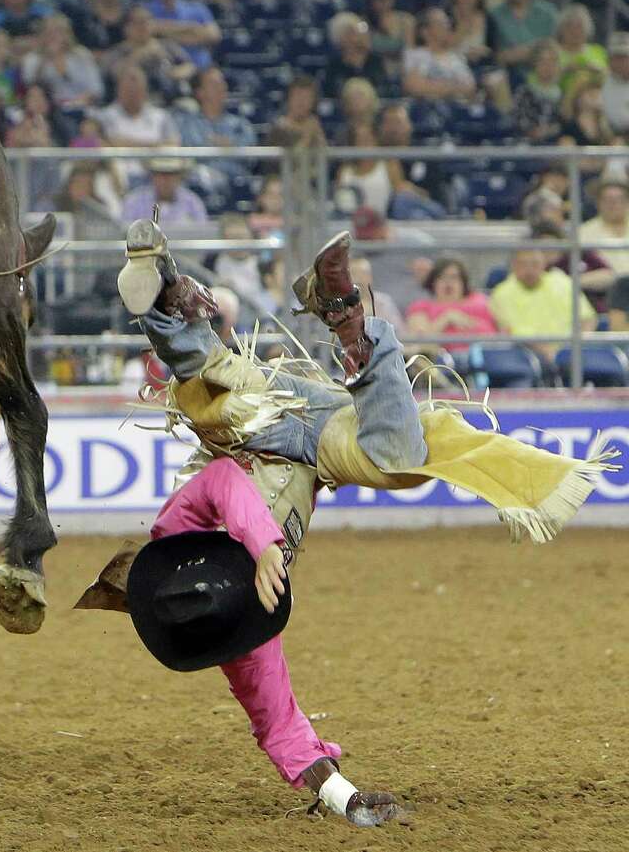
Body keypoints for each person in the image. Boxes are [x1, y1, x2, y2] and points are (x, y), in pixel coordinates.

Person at [80, 220, 614, 825]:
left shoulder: (175, 536)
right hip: (318, 451)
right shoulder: (239, 634)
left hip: (261, 421)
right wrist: (346, 799)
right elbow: (277, 722)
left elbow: (225, 481)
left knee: (212, 381)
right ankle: (346, 318)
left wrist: (262, 548)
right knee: (402, 461)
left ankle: (163, 297)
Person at [490, 245, 597, 359]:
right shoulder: (502, 293)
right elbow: (512, 331)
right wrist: (550, 353)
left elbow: (588, 319)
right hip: (526, 354)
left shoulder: (562, 282)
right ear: (513, 266)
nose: (529, 270)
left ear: (544, 264)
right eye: (523, 264)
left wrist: (576, 345)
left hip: (572, 351)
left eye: (535, 264)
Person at [175, 66, 258, 186]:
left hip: (236, 184)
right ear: (200, 93)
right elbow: (186, 157)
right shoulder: (187, 125)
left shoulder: (241, 125)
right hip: (200, 184)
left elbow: (252, 159)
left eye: (223, 83)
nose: (222, 88)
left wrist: (233, 147)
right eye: (214, 84)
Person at [405, 257, 500, 354]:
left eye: (454, 277)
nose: (448, 283)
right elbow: (419, 344)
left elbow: (502, 334)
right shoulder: (421, 307)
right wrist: (446, 318)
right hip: (441, 361)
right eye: (442, 277)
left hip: (485, 357)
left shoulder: (482, 301)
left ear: (463, 282)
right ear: (433, 282)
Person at [145, 0, 221, 71]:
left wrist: (164, 33)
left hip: (200, 73)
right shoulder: (145, 10)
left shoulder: (197, 8)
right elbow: (148, 30)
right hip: (165, 74)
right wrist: (192, 29)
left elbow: (214, 35)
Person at [105, 4, 195, 101]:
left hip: (171, 98)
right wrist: (139, 55)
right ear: (126, 27)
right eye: (136, 22)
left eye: (146, 21)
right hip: (135, 102)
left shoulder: (166, 45)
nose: (142, 26)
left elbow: (189, 66)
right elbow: (116, 74)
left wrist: (173, 73)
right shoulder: (117, 51)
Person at [19, 15, 105, 112]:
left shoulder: (82, 55)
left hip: (84, 107)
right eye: (48, 32)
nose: (53, 36)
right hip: (49, 111)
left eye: (58, 32)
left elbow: (97, 89)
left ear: (68, 35)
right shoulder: (32, 59)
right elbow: (31, 88)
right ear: (41, 35)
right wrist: (45, 59)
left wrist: (76, 103)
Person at [490, 0, 559, 75]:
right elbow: (492, 55)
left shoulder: (548, 12)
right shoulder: (493, 15)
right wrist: (516, 55)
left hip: (545, 75)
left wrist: (532, 52)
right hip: (509, 76)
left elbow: (559, 47)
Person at [401, 8, 477, 104]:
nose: (447, 27)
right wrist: (453, 87)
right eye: (441, 23)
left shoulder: (455, 56)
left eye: (447, 22)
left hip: (459, 109)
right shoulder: (418, 55)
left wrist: (434, 86)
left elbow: (470, 86)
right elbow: (413, 86)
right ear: (425, 31)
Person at [323, 12, 392, 99]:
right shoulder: (334, 65)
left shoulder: (375, 60)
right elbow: (331, 91)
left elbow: (383, 88)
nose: (353, 38)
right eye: (348, 34)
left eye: (355, 32)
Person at [122, 158, 209, 225]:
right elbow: (124, 235)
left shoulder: (192, 202)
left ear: (180, 177)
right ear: (152, 176)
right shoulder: (134, 202)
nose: (165, 179)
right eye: (160, 174)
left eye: (171, 174)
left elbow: (202, 235)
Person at [361, 0, 414, 77]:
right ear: (370, 0)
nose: (383, 2)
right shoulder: (362, 23)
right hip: (375, 74)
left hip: (402, 72)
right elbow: (365, 53)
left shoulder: (406, 21)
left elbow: (410, 54)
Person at [513, 39, 565, 144]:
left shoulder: (565, 94)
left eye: (553, 61)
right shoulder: (524, 92)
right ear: (534, 64)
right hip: (530, 147)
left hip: (559, 146)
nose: (548, 66)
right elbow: (521, 125)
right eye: (542, 61)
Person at [554, 3, 608, 97]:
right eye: (569, 26)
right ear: (561, 29)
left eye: (579, 26)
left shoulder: (598, 51)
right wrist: (565, 70)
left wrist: (597, 70)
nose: (575, 31)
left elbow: (612, 76)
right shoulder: (553, 51)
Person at [580, 177, 629, 278]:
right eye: (608, 200)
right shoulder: (583, 232)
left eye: (619, 199)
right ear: (598, 202)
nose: (614, 204)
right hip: (604, 290)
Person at [267, 75, 326, 149]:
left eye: (307, 97)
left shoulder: (315, 127)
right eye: (298, 95)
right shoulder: (278, 129)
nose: (301, 101)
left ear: (314, 102)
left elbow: (325, 157)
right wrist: (307, 136)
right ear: (289, 98)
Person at [448, 0, 492, 67]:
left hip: (480, 67)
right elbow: (442, 48)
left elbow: (494, 51)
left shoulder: (488, 18)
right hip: (452, 67)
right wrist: (462, 27)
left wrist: (484, 52)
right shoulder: (446, 16)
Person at [603, 32, 629, 135]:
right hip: (607, 139)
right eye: (616, 57)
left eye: (625, 57)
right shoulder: (598, 82)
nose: (621, 62)